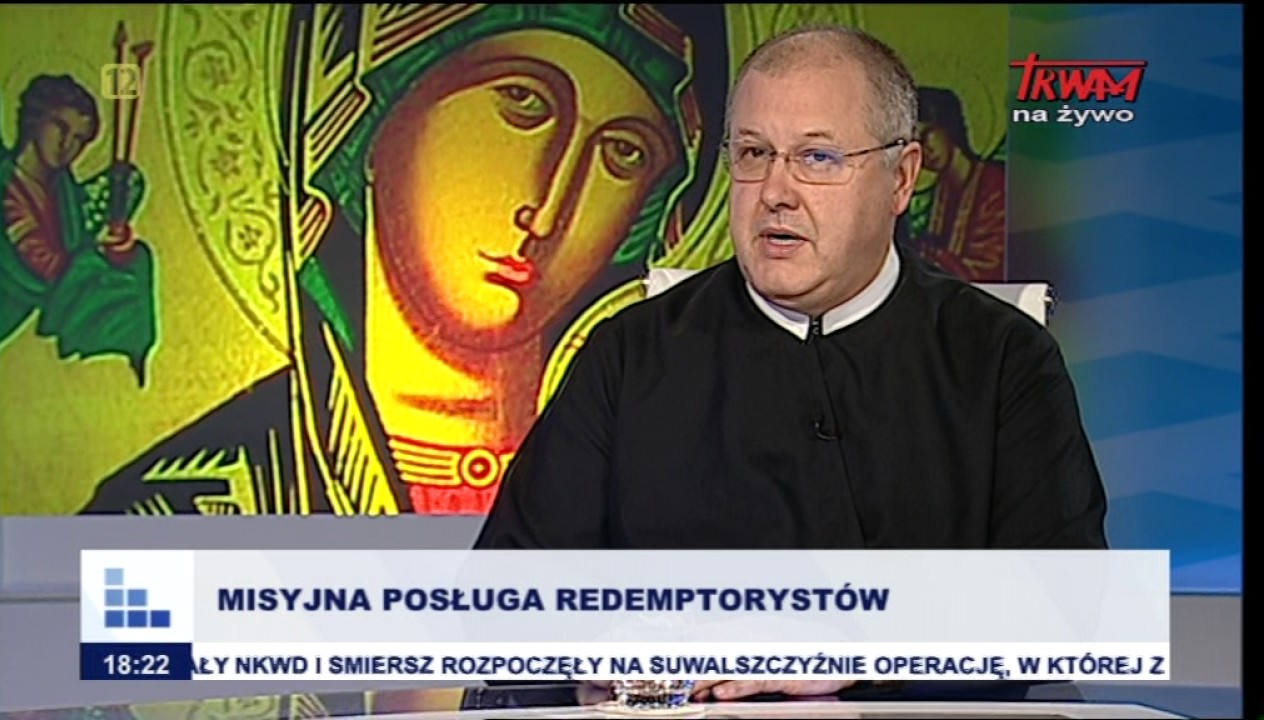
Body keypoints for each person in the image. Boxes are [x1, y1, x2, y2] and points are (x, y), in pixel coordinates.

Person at [474, 23, 1108, 702]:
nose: (775, 191)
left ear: (901, 178)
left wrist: (870, 646)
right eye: (753, 153)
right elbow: (504, 601)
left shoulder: (1003, 356)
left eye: (817, 158)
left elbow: (1067, 605)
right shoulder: (630, 354)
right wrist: (595, 656)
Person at [79, 4, 707, 516]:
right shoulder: (184, 507)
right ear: (372, 121)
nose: (549, 213)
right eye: (522, 102)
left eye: (624, 152)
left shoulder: (670, 489)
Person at [0, 75, 157, 383]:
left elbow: (76, 246)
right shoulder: (5, 184)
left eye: (80, 139)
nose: (67, 145)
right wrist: (90, 263)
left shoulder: (67, 201)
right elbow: (36, 256)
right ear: (35, 119)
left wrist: (118, 250)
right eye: (60, 127)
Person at [910, 87, 1006, 282]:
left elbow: (988, 265)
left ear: (948, 127)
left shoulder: (996, 184)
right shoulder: (940, 192)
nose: (925, 148)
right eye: (914, 143)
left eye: (927, 134)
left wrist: (933, 258)